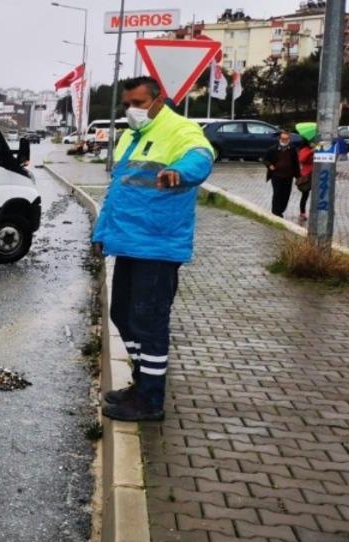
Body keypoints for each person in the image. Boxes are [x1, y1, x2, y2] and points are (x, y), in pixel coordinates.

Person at [92, 76, 215, 422]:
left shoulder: (180, 129)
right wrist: (101, 232)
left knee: (150, 321)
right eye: (128, 104)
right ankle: (141, 382)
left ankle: (151, 400)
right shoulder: (132, 137)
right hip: (128, 241)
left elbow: (201, 157)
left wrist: (180, 171)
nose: (132, 110)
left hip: (158, 244)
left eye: (139, 103)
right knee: (122, 315)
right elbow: (118, 192)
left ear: (159, 100)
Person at [262, 131, 301, 218]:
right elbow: (265, 159)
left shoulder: (292, 149)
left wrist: (298, 176)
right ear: (280, 139)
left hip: (288, 175)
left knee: (286, 194)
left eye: (286, 139)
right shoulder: (273, 149)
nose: (284, 141)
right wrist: (270, 165)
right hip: (276, 175)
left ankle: (281, 209)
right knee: (277, 193)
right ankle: (275, 211)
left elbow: (296, 163)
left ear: (289, 139)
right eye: (283, 139)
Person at [295, 124, 318, 222]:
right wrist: (312, 151)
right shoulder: (305, 149)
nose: (313, 143)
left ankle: (316, 212)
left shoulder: (319, 148)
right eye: (312, 141)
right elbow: (301, 159)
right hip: (307, 174)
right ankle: (302, 213)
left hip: (317, 174)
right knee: (305, 194)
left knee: (317, 194)